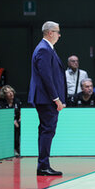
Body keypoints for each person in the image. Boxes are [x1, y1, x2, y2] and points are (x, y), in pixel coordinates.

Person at [28, 21, 66, 176]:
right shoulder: (44, 49)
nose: (59, 34)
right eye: (57, 31)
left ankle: (43, 164)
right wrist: (56, 99)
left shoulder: (46, 49)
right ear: (50, 32)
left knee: (46, 130)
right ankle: (43, 166)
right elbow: (46, 77)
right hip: (46, 98)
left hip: (45, 98)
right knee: (47, 130)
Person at [0, 85, 21, 155]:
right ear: (4, 95)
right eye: (8, 92)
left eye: (11, 91)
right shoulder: (1, 103)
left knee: (19, 126)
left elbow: (20, 112)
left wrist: (20, 118)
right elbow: (0, 116)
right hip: (5, 123)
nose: (11, 93)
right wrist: (12, 121)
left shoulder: (17, 101)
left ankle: (17, 148)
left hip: (16, 122)